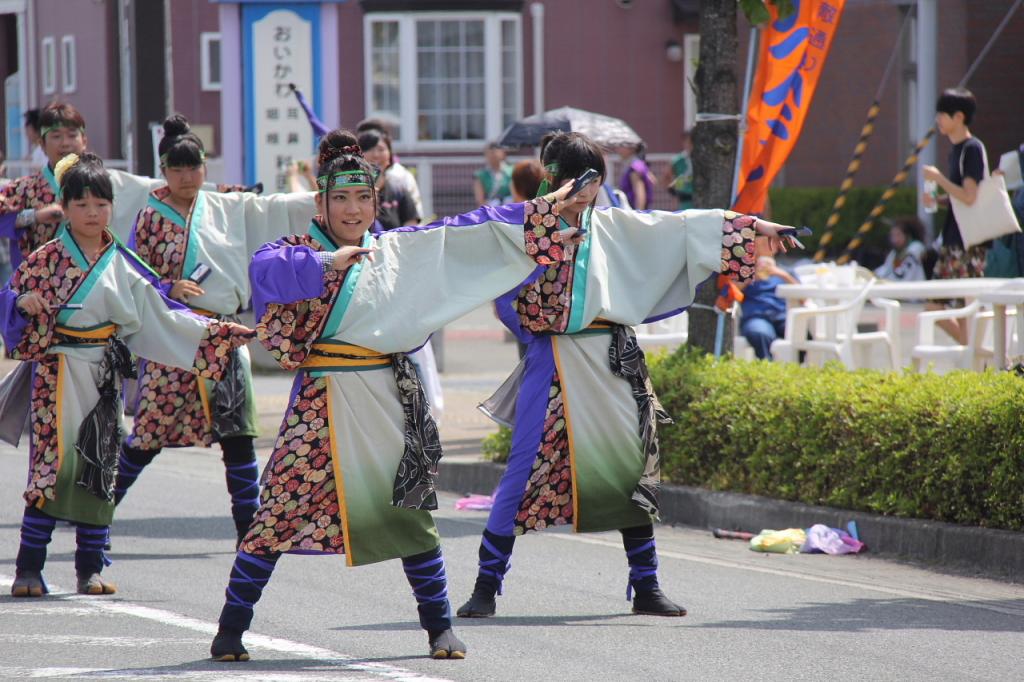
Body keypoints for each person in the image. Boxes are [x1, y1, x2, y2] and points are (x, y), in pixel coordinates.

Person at [208, 130, 576, 662]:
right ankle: (230, 628)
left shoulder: (397, 251)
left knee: (411, 513)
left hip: (387, 396)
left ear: (377, 201)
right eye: (340, 198)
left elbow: (467, 233)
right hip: (322, 403)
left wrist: (536, 214)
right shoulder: (295, 250)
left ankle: (438, 627)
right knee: (276, 515)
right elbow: (264, 272)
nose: (353, 209)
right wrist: (327, 265)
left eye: (363, 197)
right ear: (320, 202)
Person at [457, 132, 802, 620]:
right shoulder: (522, 227)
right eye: (580, 178)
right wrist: (541, 292)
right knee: (521, 473)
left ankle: (646, 584)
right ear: (552, 179)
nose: (588, 188)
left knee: (630, 469)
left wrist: (756, 227)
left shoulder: (614, 225)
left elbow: (683, 228)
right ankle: (485, 587)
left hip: (614, 360)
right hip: (553, 359)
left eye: (595, 179)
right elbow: (502, 296)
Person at [1, 152, 254, 598]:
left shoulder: (123, 260)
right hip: (57, 375)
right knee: (52, 469)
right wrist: (21, 304)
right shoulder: (45, 259)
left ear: (113, 207)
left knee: (100, 467)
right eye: (82, 205)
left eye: (101, 205)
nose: (93, 214)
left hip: (103, 378)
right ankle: (28, 567)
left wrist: (215, 333)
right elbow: (11, 299)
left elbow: (161, 312)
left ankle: (90, 568)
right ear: (64, 206)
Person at [112, 115, 316, 544]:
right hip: (174, 333)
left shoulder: (223, 205)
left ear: (205, 168)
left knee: (237, 434)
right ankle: (97, 513)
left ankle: (250, 530)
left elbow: (274, 208)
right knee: (148, 436)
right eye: (178, 168)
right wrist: (166, 287)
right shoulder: (150, 215)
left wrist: (327, 196)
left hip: (225, 333)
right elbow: (130, 273)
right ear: (164, 170)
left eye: (195, 168)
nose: (187, 177)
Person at [0, 101, 172, 272]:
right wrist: (35, 216)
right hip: (43, 283)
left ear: (84, 141)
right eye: (56, 136)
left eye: (72, 135)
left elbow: (155, 189)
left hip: (98, 279)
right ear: (42, 145)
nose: (65, 143)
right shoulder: (24, 188)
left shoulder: (108, 182)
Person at [922, 88, 989, 344]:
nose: (938, 119)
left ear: (958, 117)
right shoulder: (957, 150)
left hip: (968, 242)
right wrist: (939, 200)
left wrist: (939, 179)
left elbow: (970, 196)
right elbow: (962, 197)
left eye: (942, 114)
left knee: (964, 309)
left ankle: (980, 357)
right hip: (954, 240)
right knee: (938, 307)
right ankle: (978, 355)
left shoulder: (972, 148)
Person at [357, 118, 425, 218]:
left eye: (380, 149)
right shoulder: (349, 181)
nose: (375, 155)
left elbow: (414, 223)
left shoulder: (401, 179)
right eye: (368, 147)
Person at [739, 256, 798, 360]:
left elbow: (803, 297)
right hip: (757, 315)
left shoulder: (785, 271)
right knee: (759, 333)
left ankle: (797, 366)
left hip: (782, 316)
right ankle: (768, 366)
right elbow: (730, 289)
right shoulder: (746, 271)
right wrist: (749, 277)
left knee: (801, 333)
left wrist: (783, 275)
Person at [874, 217, 926, 282]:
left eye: (898, 235)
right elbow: (885, 269)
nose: (894, 240)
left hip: (916, 287)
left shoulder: (916, 247)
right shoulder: (894, 253)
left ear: (907, 235)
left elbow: (901, 273)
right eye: (892, 235)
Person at [615, 141, 655, 210]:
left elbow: (640, 194)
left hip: (634, 211)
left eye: (621, 145)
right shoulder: (637, 164)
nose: (617, 149)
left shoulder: (635, 167)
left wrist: (638, 214)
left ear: (632, 148)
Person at [663, 130, 694, 210]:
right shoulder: (677, 160)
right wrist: (673, 191)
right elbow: (666, 177)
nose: (690, 145)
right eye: (688, 142)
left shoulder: (703, 159)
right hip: (685, 201)